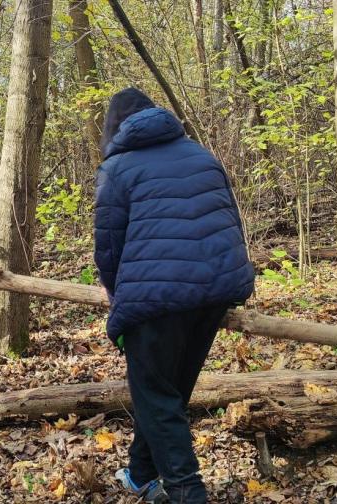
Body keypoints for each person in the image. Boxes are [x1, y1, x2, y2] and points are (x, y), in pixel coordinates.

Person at [94, 88, 254, 503]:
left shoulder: (118, 167)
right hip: (215, 290)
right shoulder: (202, 155)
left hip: (157, 295)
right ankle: (141, 473)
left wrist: (120, 299)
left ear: (115, 126)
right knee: (169, 392)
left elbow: (108, 247)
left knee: (156, 394)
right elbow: (230, 221)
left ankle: (185, 491)